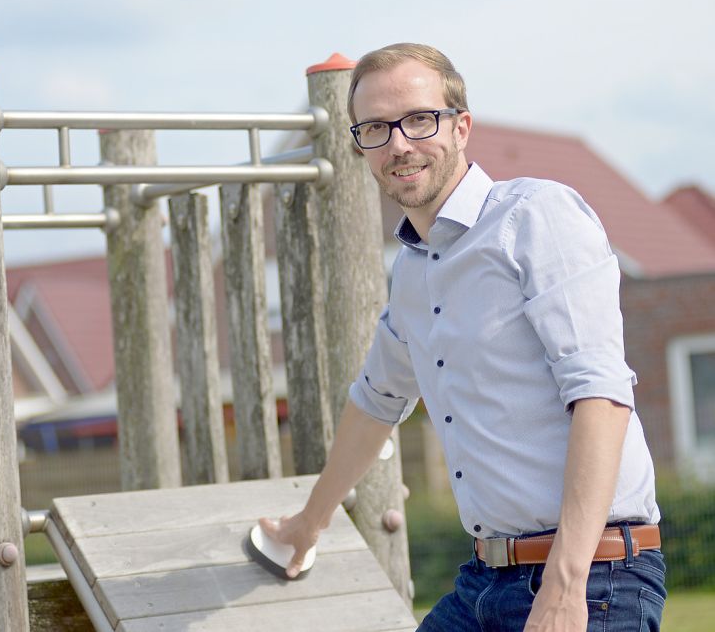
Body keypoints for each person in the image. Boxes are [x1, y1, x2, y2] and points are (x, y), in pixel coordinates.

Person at [259, 43, 665, 631]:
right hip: (483, 580)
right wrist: (308, 525)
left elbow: (601, 395)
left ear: (461, 126)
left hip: (596, 576)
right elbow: (375, 403)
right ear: (360, 146)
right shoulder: (414, 272)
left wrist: (564, 584)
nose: (398, 144)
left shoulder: (535, 216)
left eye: (418, 119)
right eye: (375, 128)